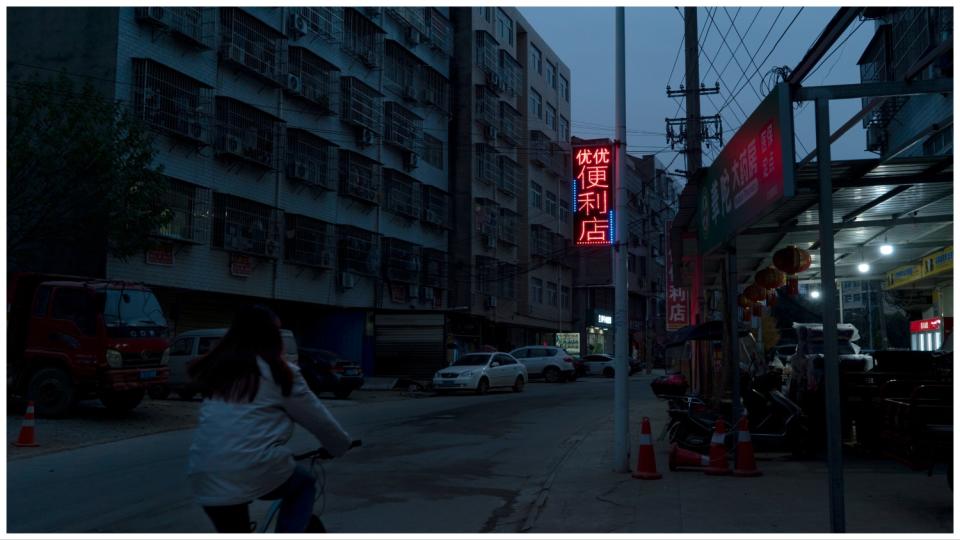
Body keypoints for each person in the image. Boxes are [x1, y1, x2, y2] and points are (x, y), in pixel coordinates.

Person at [187, 305, 352, 533]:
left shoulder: (219, 370)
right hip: (252, 466)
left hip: (205, 471)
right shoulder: (279, 372)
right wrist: (339, 445)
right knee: (303, 484)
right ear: (271, 335)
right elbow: (319, 420)